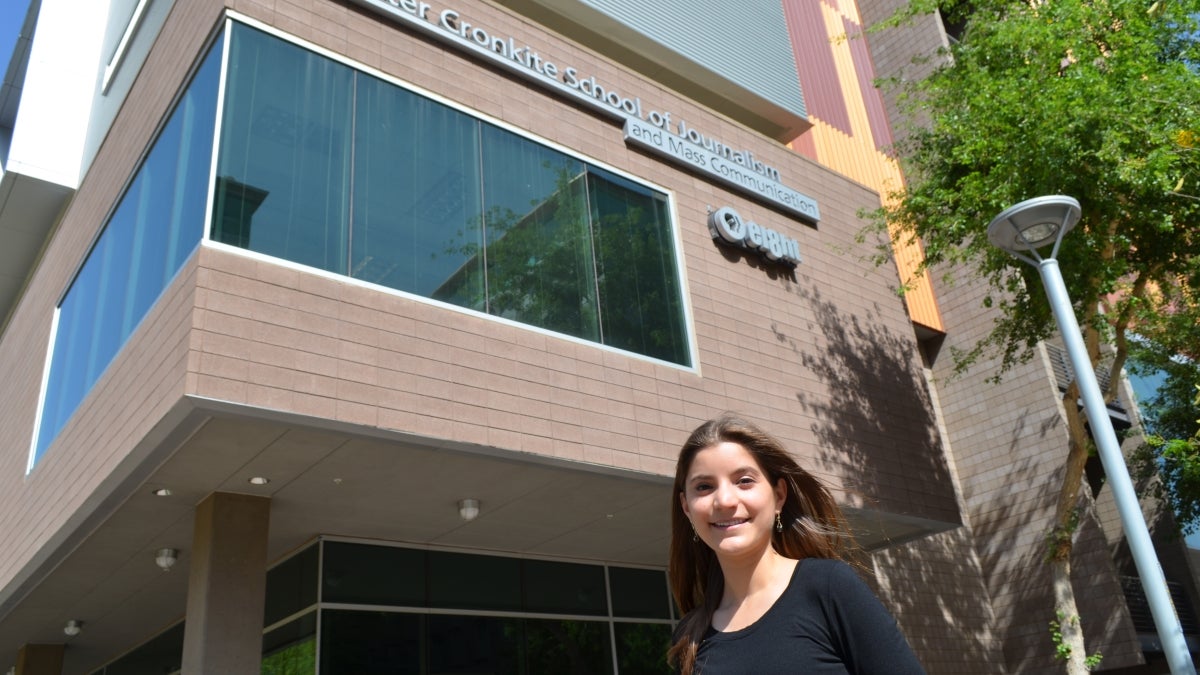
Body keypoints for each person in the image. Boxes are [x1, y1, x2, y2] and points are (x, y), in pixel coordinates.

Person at [667, 414, 925, 674]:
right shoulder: (689, 637)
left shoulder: (828, 588)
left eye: (744, 481)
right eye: (704, 486)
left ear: (779, 496)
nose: (724, 500)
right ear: (686, 507)